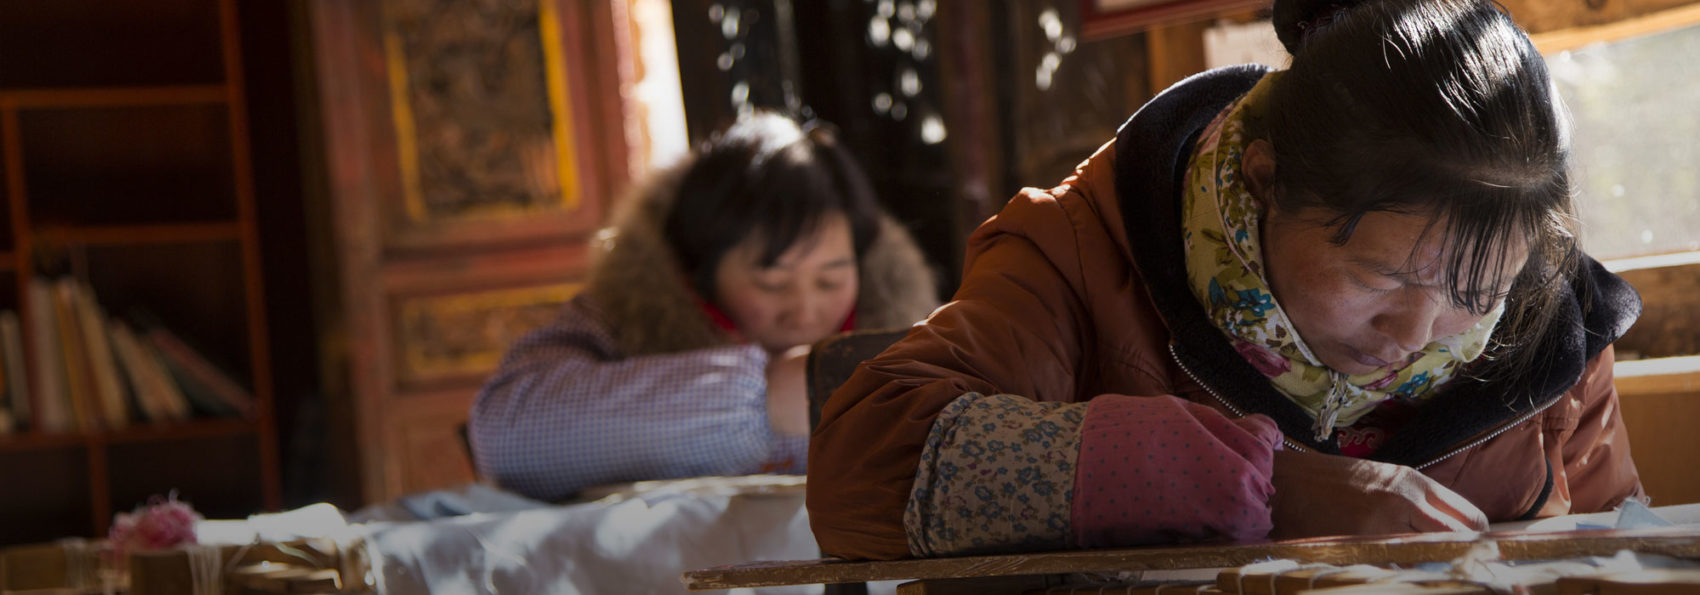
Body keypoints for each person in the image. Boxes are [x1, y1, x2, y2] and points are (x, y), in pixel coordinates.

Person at [807, 0, 1646, 560]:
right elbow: (860, 470)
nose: (1417, 334)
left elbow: (1613, 557)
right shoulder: (1081, 246)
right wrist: (1266, 487)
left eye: (1475, 292)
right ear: (1263, 179)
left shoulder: (1551, 329)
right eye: (1379, 274)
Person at [470, 111, 939, 502]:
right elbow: (507, 438)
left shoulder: (914, 341)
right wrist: (765, 399)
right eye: (771, 280)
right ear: (701, 269)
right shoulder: (620, 319)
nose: (804, 308)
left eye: (831, 278)